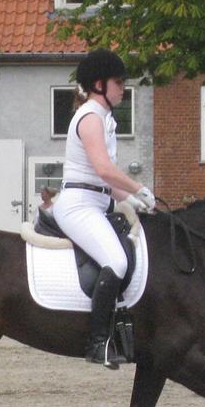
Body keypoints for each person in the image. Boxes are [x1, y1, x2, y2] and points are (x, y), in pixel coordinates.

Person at [52, 48, 156, 368]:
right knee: (117, 260)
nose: (123, 87)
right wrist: (139, 187)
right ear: (99, 84)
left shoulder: (105, 119)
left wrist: (133, 201)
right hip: (78, 205)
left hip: (98, 201)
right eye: (118, 82)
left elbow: (106, 182)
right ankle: (98, 342)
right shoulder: (90, 117)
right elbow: (103, 169)